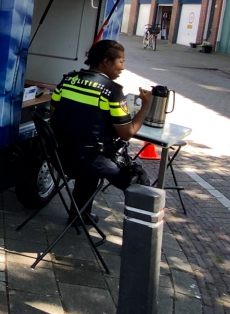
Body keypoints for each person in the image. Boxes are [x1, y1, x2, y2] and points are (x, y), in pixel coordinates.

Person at [48, 39, 152, 224]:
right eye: (121, 61)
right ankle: (141, 239)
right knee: (138, 181)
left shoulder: (67, 80)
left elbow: (54, 113)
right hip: (89, 161)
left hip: (59, 157)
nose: (122, 67)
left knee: (88, 159)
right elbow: (127, 133)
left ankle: (79, 215)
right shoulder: (112, 91)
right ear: (106, 61)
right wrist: (145, 106)